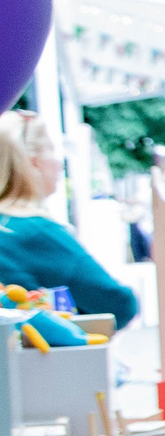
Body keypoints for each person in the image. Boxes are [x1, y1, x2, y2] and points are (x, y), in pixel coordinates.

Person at [0, 122, 138, 328]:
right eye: (53, 151)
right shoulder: (37, 232)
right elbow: (118, 304)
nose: (60, 164)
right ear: (35, 163)